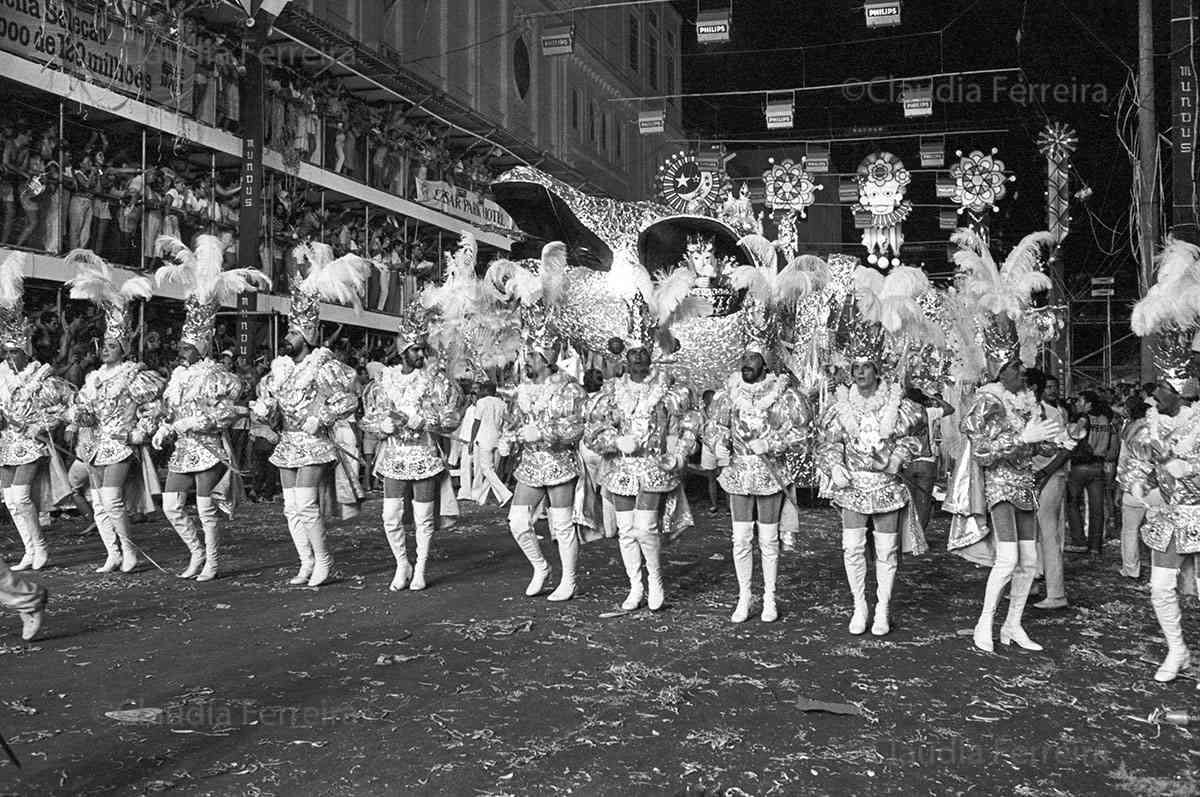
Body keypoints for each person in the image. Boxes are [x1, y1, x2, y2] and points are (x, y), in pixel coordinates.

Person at [251, 242, 368, 587]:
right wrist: (262, 408)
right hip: (287, 442)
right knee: (291, 508)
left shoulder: (323, 365)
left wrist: (325, 417)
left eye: (291, 332)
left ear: (307, 335)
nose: (286, 337)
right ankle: (306, 561)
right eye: (287, 331)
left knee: (305, 504)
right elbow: (269, 402)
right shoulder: (281, 368)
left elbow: (350, 398)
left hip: (314, 442)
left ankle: (325, 560)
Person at [152, 234, 268, 580]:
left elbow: (227, 412)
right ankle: (197, 552)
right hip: (183, 449)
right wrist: (164, 424)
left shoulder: (220, 376)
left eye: (188, 347)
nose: (181, 351)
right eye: (181, 345)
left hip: (209, 448)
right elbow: (170, 410)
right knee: (172, 506)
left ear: (201, 347)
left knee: (205, 509)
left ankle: (214, 560)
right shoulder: (176, 377)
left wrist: (193, 422)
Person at [585, 297, 700, 613]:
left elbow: (688, 422)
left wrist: (679, 452)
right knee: (625, 531)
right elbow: (594, 429)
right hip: (622, 468)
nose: (637, 358)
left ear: (651, 356)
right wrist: (615, 440)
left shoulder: (668, 387)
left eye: (642, 353)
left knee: (646, 527)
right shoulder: (611, 390)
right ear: (625, 356)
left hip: (654, 467)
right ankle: (635, 587)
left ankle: (656, 582)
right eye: (632, 353)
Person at [65, 249, 165, 574]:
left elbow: (155, 408)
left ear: (122, 349)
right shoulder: (93, 378)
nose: (105, 348)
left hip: (120, 444)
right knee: (98, 505)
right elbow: (84, 409)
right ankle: (113, 553)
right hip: (94, 445)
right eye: (103, 344)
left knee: (111, 499)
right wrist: (78, 417)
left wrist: (139, 432)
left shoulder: (134, 374)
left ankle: (131, 552)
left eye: (111, 345)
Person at [957, 360, 1065, 652]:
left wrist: (1053, 440)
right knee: (1007, 558)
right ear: (1000, 372)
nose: (1021, 372)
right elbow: (982, 452)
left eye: (1021, 366)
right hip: (1000, 485)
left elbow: (1039, 446)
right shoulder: (988, 401)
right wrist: (1022, 438)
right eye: (1014, 367)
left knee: (1029, 560)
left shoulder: (1029, 402)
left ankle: (1013, 624)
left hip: (1025, 485)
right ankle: (984, 622)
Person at [360, 304, 462, 591]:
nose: (421, 354)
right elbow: (368, 417)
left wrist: (425, 419)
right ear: (403, 350)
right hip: (393, 456)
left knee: (423, 517)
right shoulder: (384, 381)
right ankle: (401, 563)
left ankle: (421, 567)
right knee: (390, 516)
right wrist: (382, 427)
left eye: (422, 349)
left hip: (424, 455)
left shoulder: (435, 380)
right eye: (415, 349)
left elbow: (451, 416)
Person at [705, 347, 811, 623]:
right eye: (743, 358)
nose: (745, 363)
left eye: (752, 358)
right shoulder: (728, 393)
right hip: (738, 473)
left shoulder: (784, 395)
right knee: (740, 539)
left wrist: (772, 444)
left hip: (770, 473)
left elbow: (802, 434)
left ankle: (769, 597)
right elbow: (714, 427)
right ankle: (744, 596)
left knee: (767, 539)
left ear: (765, 363)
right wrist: (719, 445)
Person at [0, 252, 76, 570]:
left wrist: (39, 425)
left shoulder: (41, 377)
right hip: (6, 441)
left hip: (31, 442)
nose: (9, 357)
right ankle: (30, 549)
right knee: (9, 500)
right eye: (6, 351)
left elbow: (66, 407)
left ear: (26, 350)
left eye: (14, 352)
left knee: (20, 497)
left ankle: (40, 547)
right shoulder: (1, 375)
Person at [498, 327, 587, 601]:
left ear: (547, 360)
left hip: (560, 463)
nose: (526, 361)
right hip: (530, 465)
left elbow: (578, 426)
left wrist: (545, 433)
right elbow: (513, 423)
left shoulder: (569, 388)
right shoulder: (521, 390)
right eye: (526, 355)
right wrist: (508, 438)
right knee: (517, 522)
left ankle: (569, 581)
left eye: (532, 356)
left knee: (562, 526)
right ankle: (541, 567)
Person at [1027, 370, 1074, 610]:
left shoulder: (1053, 413)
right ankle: (1032, 581)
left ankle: (1056, 592)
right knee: (1031, 533)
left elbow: (1067, 448)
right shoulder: (1030, 410)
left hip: (1051, 476)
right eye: (1049, 388)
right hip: (1033, 476)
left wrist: (1045, 473)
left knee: (1048, 532)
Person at [1065, 390, 1113, 557]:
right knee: (1097, 508)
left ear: (1088, 404)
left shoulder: (1083, 419)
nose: (1077, 404)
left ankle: (1079, 541)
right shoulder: (1105, 419)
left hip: (1080, 465)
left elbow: (1072, 437)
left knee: (1072, 503)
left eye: (1080, 401)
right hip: (1098, 466)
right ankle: (1095, 546)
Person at [1115, 393, 1150, 579]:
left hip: (1132, 486)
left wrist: (1120, 487)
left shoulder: (1128, 430)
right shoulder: (1158, 428)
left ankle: (1131, 569)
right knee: (1159, 527)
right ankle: (1164, 568)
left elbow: (1122, 461)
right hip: (1155, 487)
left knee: (1130, 530)